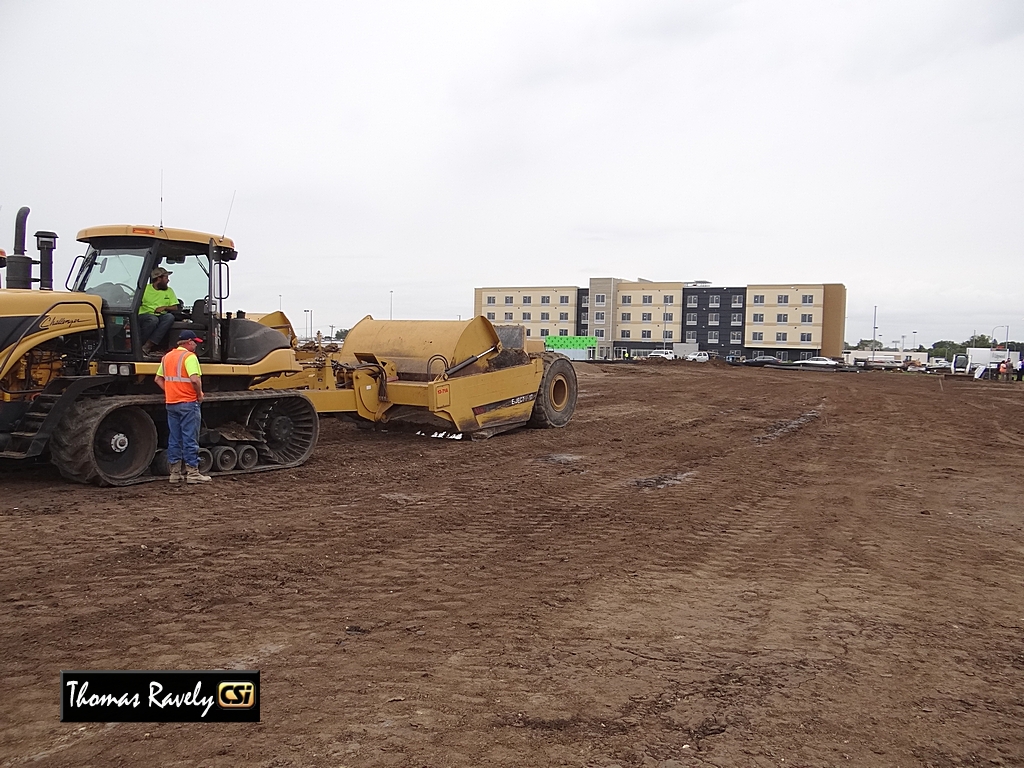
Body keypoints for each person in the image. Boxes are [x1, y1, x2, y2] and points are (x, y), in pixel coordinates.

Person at [154, 330, 211, 484]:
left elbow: (158, 379)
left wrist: (172, 391)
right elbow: (194, 379)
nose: (196, 345)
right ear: (188, 342)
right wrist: (199, 394)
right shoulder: (189, 357)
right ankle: (193, 474)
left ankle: (174, 474)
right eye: (195, 342)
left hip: (172, 403)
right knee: (190, 438)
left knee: (174, 438)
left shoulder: (167, 357)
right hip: (188, 402)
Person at [139, 267, 180, 357]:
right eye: (166, 278)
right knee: (152, 320)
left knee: (169, 317)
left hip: (161, 316)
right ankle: (139, 345)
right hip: (144, 315)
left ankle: (148, 345)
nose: (168, 280)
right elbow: (133, 300)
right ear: (158, 278)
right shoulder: (144, 289)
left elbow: (175, 307)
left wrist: (164, 307)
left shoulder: (169, 291)